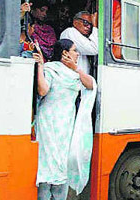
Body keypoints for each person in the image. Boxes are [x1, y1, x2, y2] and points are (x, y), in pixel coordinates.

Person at [33, 39, 97, 199]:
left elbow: (91, 85)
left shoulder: (76, 73)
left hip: (67, 123)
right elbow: (43, 90)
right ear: (65, 53)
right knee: (47, 160)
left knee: (63, 161)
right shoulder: (51, 68)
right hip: (49, 121)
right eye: (75, 50)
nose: (77, 54)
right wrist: (40, 66)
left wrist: (76, 68)